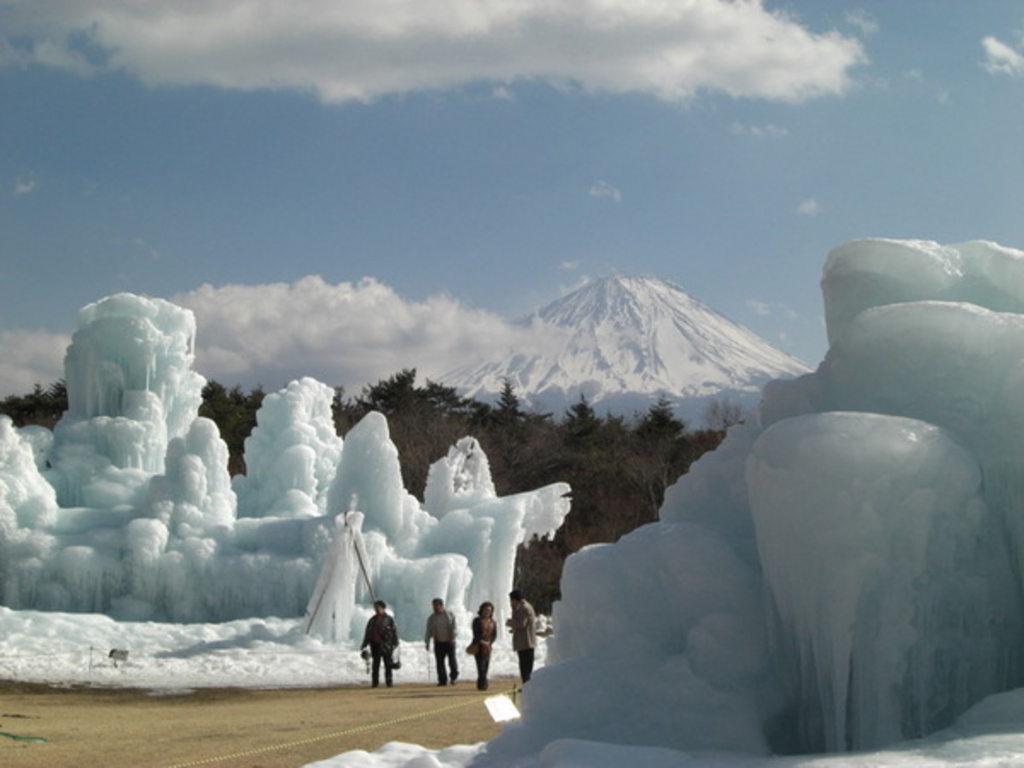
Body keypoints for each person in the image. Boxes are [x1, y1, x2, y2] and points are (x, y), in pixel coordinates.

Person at [361, 600, 399, 688]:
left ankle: (389, 682)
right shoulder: (372, 620)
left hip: (386, 645)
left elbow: (394, 631)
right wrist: (365, 643)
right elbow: (368, 632)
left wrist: (395, 642)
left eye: (378, 607)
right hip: (375, 644)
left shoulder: (389, 619)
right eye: (375, 608)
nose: (377, 609)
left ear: (383, 608)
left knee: (388, 664)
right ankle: (375, 683)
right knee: (375, 664)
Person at [424, 597, 459, 686]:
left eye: (437, 606)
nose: (435, 608)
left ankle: (453, 677)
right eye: (434, 606)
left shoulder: (449, 615)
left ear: (441, 605)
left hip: (449, 641)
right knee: (439, 662)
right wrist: (427, 642)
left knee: (452, 661)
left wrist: (453, 636)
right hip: (438, 642)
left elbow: (454, 627)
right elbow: (428, 631)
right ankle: (442, 680)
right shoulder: (432, 618)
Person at [506, 589, 537, 683]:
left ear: (515, 600)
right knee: (525, 666)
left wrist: (509, 622)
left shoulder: (524, 608)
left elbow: (521, 624)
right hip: (525, 641)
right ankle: (526, 684)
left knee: (525, 666)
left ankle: (527, 685)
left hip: (526, 642)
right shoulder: (524, 607)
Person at [470, 601, 498, 691]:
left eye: (489, 610)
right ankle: (482, 684)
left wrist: (490, 642)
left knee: (486, 665)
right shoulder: (477, 621)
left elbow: (494, 635)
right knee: (480, 666)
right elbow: (476, 634)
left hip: (488, 646)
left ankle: (483, 682)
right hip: (478, 646)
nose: (487, 612)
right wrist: (482, 642)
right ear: (481, 610)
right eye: (486, 610)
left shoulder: (492, 622)